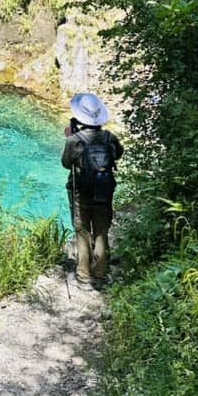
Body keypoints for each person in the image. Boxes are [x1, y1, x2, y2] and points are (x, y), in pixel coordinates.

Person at [62, 92, 123, 289]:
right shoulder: (109, 137)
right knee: (102, 231)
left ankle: (84, 276)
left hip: (81, 191)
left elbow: (65, 164)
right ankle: (102, 274)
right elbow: (119, 154)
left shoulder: (74, 140)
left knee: (82, 231)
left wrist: (70, 138)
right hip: (105, 191)